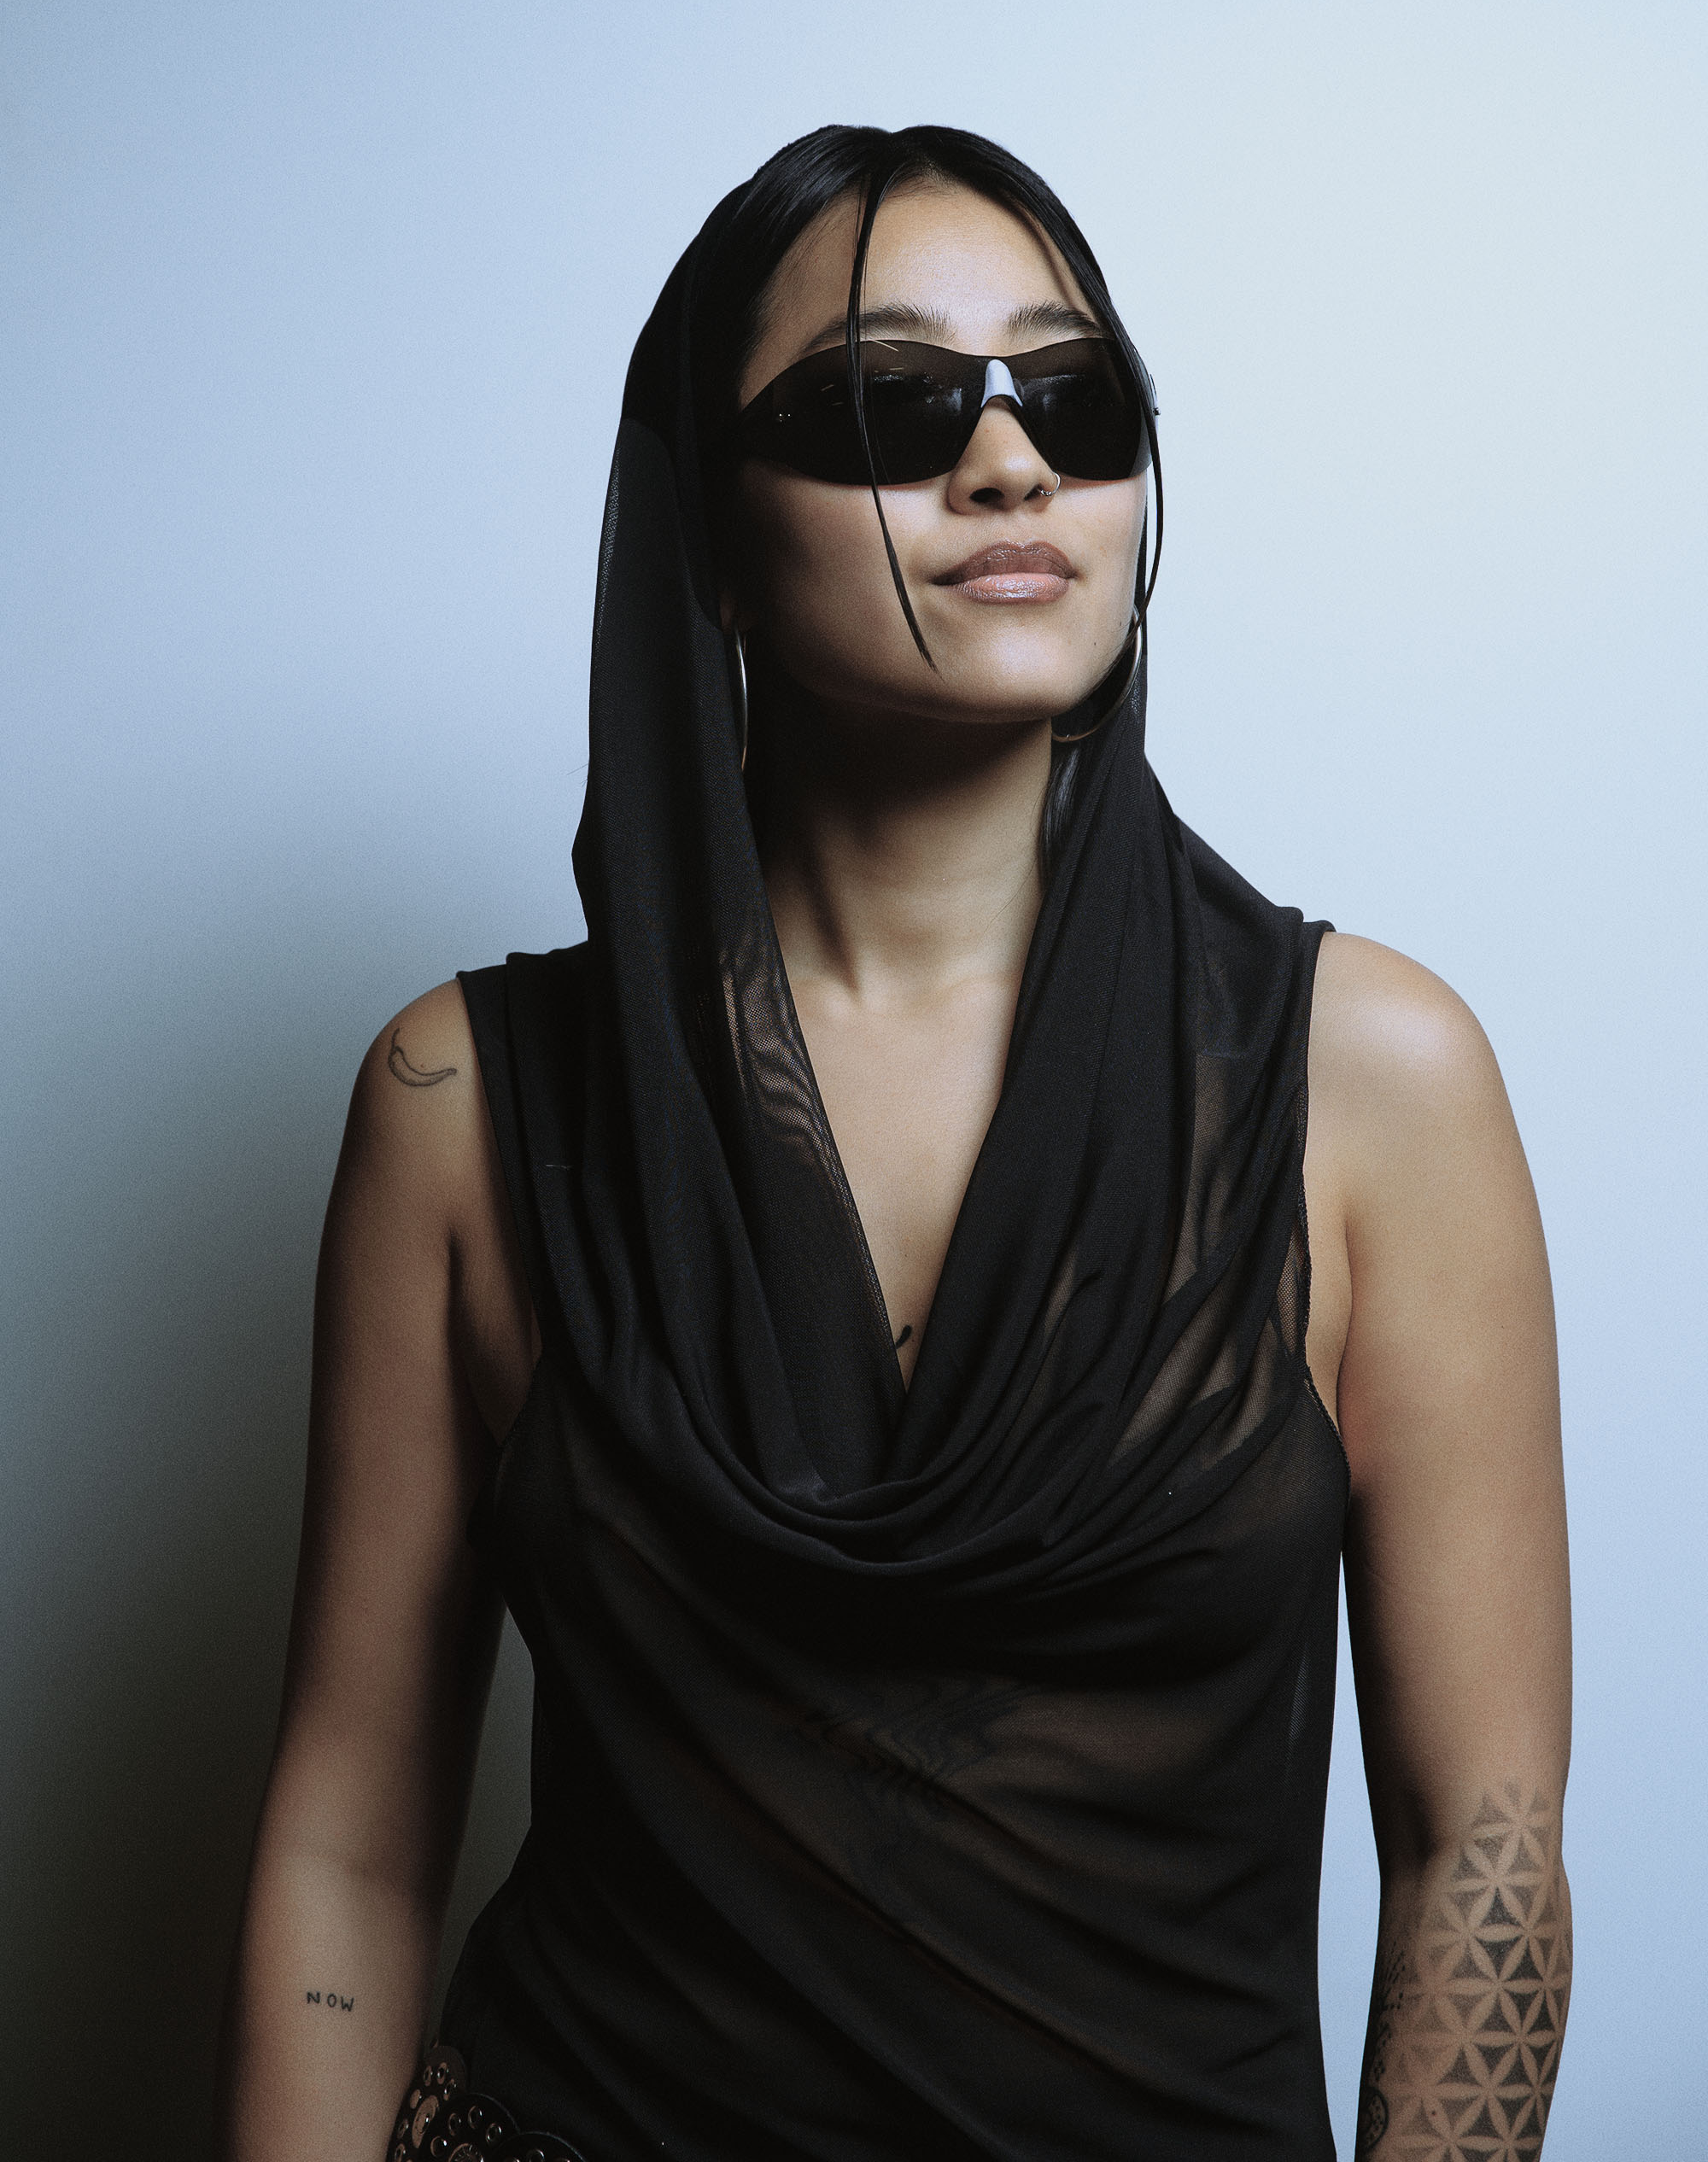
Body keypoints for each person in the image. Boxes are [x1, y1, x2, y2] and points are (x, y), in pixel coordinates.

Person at [218, 126, 1571, 2162]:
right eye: (894, 405)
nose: (1010, 464)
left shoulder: (1372, 1078)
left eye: (1074, 398)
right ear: (709, 531)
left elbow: (1484, 1845)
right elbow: (348, 1841)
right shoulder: (462, 1103)